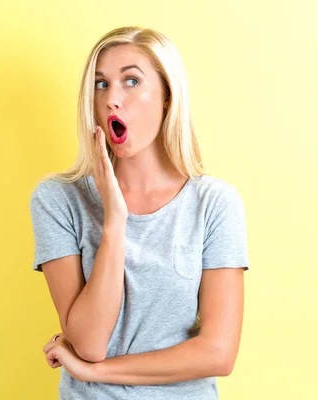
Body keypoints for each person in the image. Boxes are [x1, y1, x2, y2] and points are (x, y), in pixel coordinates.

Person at [30, 26, 250, 399]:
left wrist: (91, 372)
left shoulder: (214, 203)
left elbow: (218, 353)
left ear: (167, 96)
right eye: (101, 84)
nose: (112, 99)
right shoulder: (57, 199)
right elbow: (89, 343)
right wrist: (115, 221)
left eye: (131, 81)